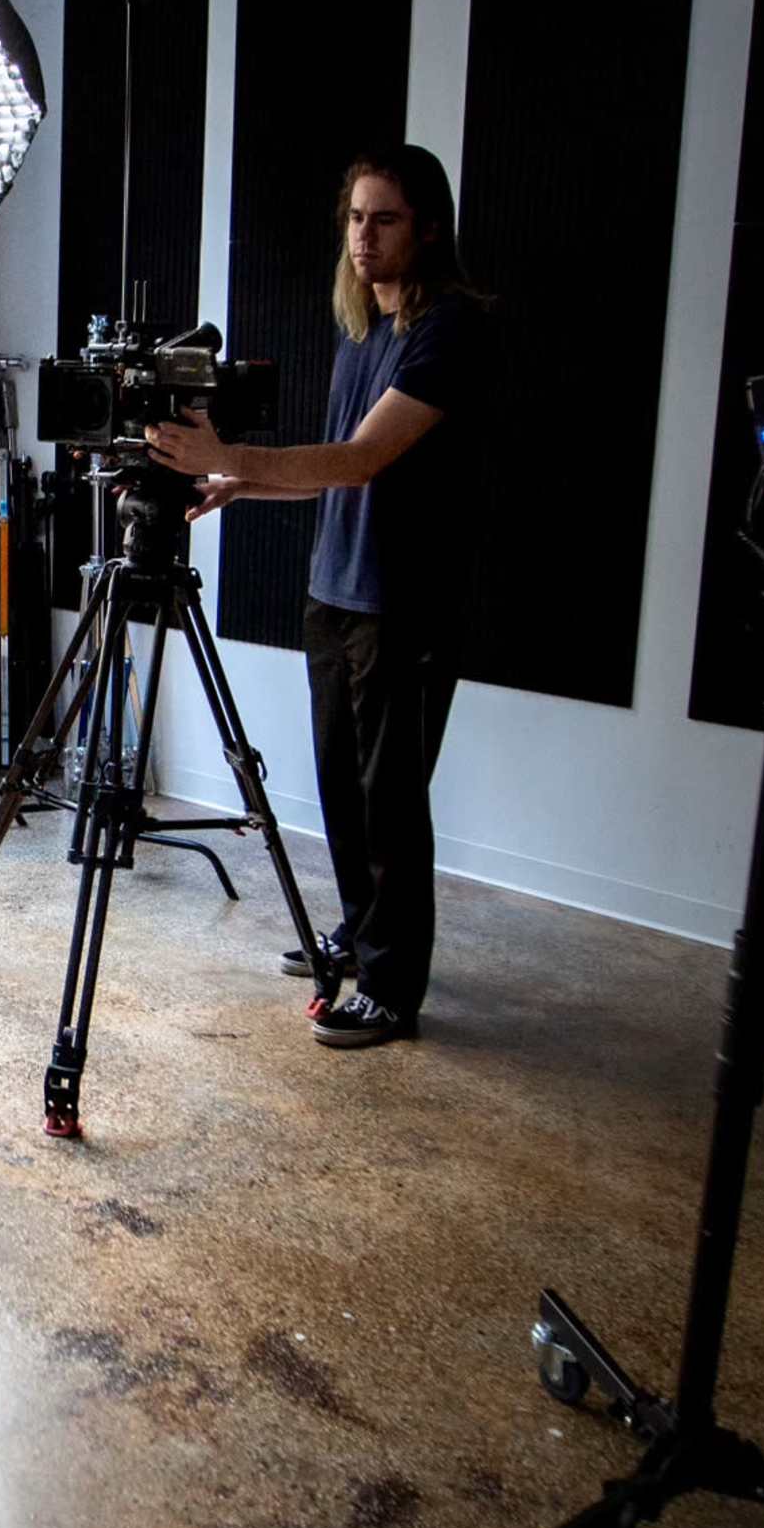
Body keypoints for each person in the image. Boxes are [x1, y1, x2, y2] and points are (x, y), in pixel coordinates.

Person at [144, 144, 492, 1049]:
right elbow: (339, 477)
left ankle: (390, 985)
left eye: (383, 219)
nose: (364, 237)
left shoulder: (447, 330)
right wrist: (240, 487)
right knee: (343, 788)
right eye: (354, 218)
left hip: (404, 605)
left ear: (425, 228)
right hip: (336, 595)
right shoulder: (363, 334)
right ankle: (362, 931)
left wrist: (225, 454)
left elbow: (364, 458)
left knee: (389, 801)